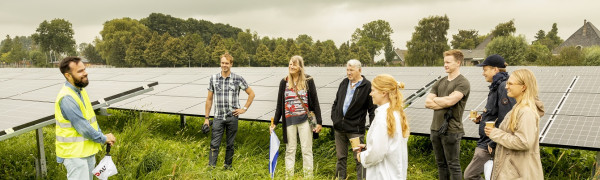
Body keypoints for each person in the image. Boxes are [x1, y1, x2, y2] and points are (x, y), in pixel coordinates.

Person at [55, 57, 116, 180]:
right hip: (75, 155)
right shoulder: (67, 98)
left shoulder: (81, 91)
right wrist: (103, 138)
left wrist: (102, 136)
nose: (85, 73)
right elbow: (83, 127)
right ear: (68, 75)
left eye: (84, 69)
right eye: (80, 71)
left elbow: (91, 120)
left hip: (86, 153)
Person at [485, 69, 545, 180]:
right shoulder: (517, 108)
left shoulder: (526, 112)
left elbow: (524, 142)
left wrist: (495, 134)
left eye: (510, 84)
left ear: (523, 87)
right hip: (513, 173)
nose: (506, 87)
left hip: (518, 175)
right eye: (507, 83)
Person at [464, 54, 516, 180]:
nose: (483, 73)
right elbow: (495, 114)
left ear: (495, 70)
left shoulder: (503, 87)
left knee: (470, 175)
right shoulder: (496, 86)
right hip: (487, 141)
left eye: (485, 69)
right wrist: (482, 119)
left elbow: (507, 118)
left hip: (489, 143)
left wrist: (493, 142)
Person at [271, 55, 323, 178]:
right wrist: (274, 123)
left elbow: (315, 101)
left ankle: (308, 177)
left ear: (300, 67)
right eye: (290, 64)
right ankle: (289, 176)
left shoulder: (308, 80)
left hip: (305, 120)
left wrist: (319, 122)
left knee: (306, 150)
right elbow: (280, 105)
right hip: (289, 120)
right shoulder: (284, 82)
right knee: (290, 150)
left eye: (294, 64)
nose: (291, 66)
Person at [204, 52, 255, 169]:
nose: (224, 65)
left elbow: (251, 94)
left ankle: (228, 166)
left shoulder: (238, 79)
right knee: (214, 144)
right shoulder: (213, 78)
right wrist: (206, 118)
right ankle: (211, 167)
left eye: (226, 63)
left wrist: (244, 109)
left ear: (231, 64)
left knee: (230, 144)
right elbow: (209, 99)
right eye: (222, 63)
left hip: (232, 117)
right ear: (220, 63)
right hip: (218, 117)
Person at [425, 49, 470, 180]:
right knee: (440, 164)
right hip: (435, 128)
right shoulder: (440, 81)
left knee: (453, 165)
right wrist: (444, 101)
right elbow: (427, 102)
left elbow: (451, 101)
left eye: (448, 62)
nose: (445, 65)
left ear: (458, 63)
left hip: (451, 130)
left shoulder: (463, 82)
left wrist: (439, 100)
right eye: (444, 62)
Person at [355, 74, 409, 179]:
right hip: (394, 174)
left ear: (383, 93)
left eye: (373, 90)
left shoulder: (383, 116)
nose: (370, 94)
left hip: (382, 174)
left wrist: (362, 157)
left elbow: (377, 153)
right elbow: (389, 144)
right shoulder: (396, 113)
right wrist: (368, 147)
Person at [330, 59, 376, 180]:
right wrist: (335, 119)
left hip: (355, 130)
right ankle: (340, 178)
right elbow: (336, 103)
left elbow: (372, 110)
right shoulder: (344, 83)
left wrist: (373, 129)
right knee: (340, 157)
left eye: (351, 70)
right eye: (347, 70)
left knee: (359, 158)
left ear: (359, 70)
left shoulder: (367, 86)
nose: (348, 73)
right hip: (339, 129)